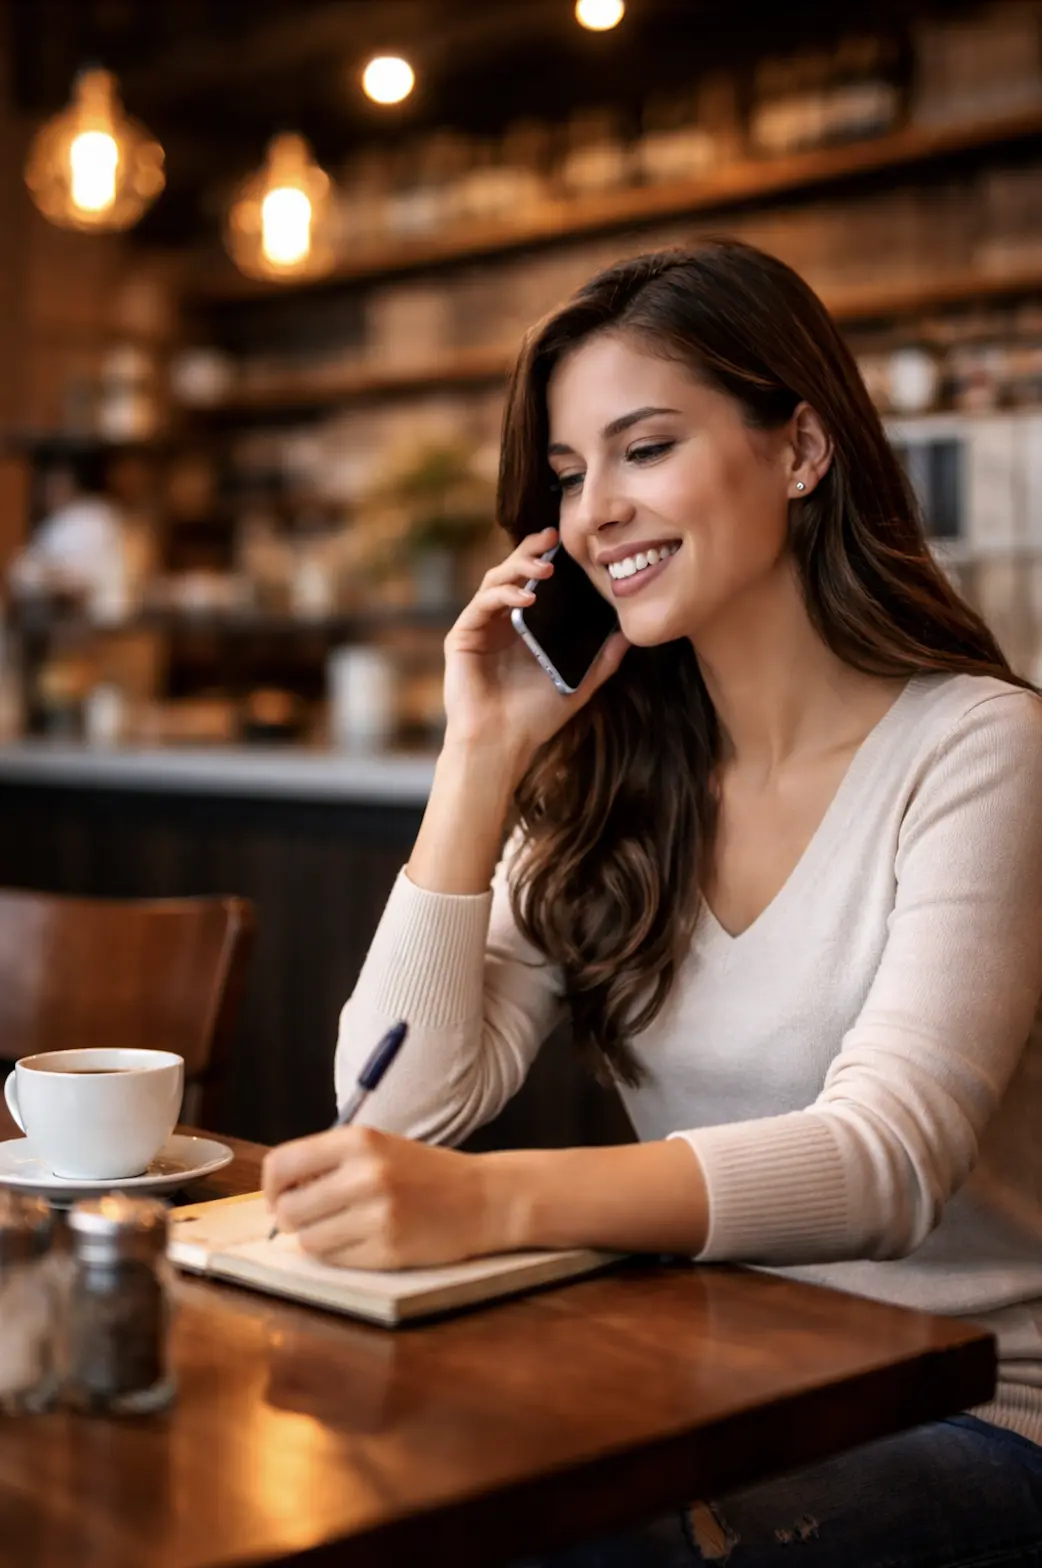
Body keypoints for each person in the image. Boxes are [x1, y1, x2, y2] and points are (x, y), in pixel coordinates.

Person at [263, 239, 1042, 1565]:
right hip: (706, 1390)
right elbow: (394, 1109)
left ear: (798, 451)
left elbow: (885, 1163)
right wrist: (481, 756)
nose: (592, 513)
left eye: (644, 448)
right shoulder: (608, 784)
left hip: (971, 1412)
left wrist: (493, 1203)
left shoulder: (981, 749)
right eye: (567, 476)